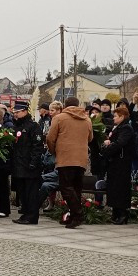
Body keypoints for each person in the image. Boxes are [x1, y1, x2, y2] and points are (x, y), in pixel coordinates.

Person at [44, 96, 93, 229]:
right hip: (81, 158)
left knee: (65, 187)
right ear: (78, 104)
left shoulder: (59, 118)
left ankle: (77, 214)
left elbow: (50, 138)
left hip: (65, 157)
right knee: (76, 188)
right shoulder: (87, 119)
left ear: (65, 105)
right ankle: (73, 216)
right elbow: (90, 138)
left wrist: (54, 151)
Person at [10, 100, 43, 225]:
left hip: (30, 166)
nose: (16, 114)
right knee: (22, 192)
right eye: (15, 112)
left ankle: (32, 216)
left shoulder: (33, 126)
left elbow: (37, 146)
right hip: (18, 165)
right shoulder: (16, 126)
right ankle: (25, 214)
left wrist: (34, 162)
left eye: (18, 112)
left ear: (25, 111)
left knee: (31, 193)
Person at [102, 105, 136, 224]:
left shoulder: (126, 128)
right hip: (114, 162)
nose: (113, 118)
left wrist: (109, 146)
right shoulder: (117, 128)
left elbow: (120, 143)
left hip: (122, 162)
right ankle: (115, 213)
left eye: (115, 116)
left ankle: (122, 214)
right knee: (114, 188)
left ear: (122, 117)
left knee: (121, 188)